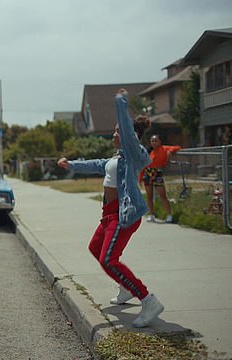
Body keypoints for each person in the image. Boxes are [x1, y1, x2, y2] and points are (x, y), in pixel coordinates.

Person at [57, 89, 164, 328]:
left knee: (109, 259)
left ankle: (148, 300)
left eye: (118, 131)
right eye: (115, 131)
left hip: (123, 215)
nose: (115, 134)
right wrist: (70, 164)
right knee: (96, 249)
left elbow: (127, 131)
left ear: (130, 135)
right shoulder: (116, 158)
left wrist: (121, 101)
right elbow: (95, 164)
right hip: (107, 215)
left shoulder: (135, 154)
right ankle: (126, 288)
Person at [140, 135, 182, 223]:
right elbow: (143, 165)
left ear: (159, 141)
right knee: (149, 196)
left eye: (156, 140)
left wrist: (169, 152)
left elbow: (177, 147)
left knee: (162, 195)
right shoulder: (148, 151)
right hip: (148, 173)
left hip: (157, 173)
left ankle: (169, 215)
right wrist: (140, 178)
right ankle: (151, 215)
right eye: (152, 141)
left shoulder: (164, 148)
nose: (154, 142)